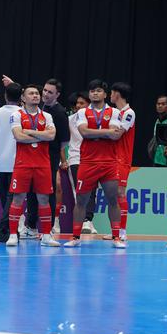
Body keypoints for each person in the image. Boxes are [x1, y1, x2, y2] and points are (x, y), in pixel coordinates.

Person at [65, 79, 125, 248]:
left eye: (98, 91)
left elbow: (116, 136)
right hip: (88, 162)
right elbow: (83, 132)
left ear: (105, 94)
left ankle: (116, 238)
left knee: (113, 200)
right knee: (81, 201)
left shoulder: (114, 112)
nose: (95, 93)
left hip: (108, 162)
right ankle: (75, 237)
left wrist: (96, 133)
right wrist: (106, 131)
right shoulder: (82, 112)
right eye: (92, 91)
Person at [5, 84, 59, 247]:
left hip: (42, 164)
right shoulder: (17, 115)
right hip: (23, 164)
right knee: (18, 197)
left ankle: (46, 235)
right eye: (31, 93)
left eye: (37, 93)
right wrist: (40, 136)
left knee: (44, 198)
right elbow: (18, 136)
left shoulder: (47, 116)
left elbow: (51, 136)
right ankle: (13, 234)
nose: (35, 95)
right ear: (23, 98)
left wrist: (30, 132)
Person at [24, 79, 69, 237]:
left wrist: (55, 156)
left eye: (50, 92)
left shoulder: (59, 112)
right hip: (33, 156)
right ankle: (31, 226)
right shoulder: (40, 107)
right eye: (45, 90)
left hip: (49, 158)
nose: (45, 94)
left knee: (47, 192)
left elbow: (64, 140)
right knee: (31, 191)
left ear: (57, 94)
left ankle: (47, 229)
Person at [0, 82, 22, 242]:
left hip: (2, 162)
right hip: (18, 162)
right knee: (10, 199)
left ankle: (3, 229)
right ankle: (9, 229)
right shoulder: (24, 113)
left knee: (8, 198)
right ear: (21, 97)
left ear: (5, 96)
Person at [107, 82, 136, 240]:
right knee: (111, 195)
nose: (110, 96)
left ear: (117, 94)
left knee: (120, 193)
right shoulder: (115, 113)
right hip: (111, 158)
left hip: (122, 159)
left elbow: (117, 134)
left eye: (111, 93)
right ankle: (115, 231)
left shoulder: (129, 113)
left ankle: (122, 232)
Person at [66, 91, 97, 233]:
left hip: (94, 159)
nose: (78, 106)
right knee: (80, 191)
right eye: (77, 103)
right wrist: (62, 160)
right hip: (76, 158)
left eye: (82, 103)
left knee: (92, 191)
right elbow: (63, 142)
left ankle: (88, 221)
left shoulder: (97, 118)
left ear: (89, 105)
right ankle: (81, 221)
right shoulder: (70, 119)